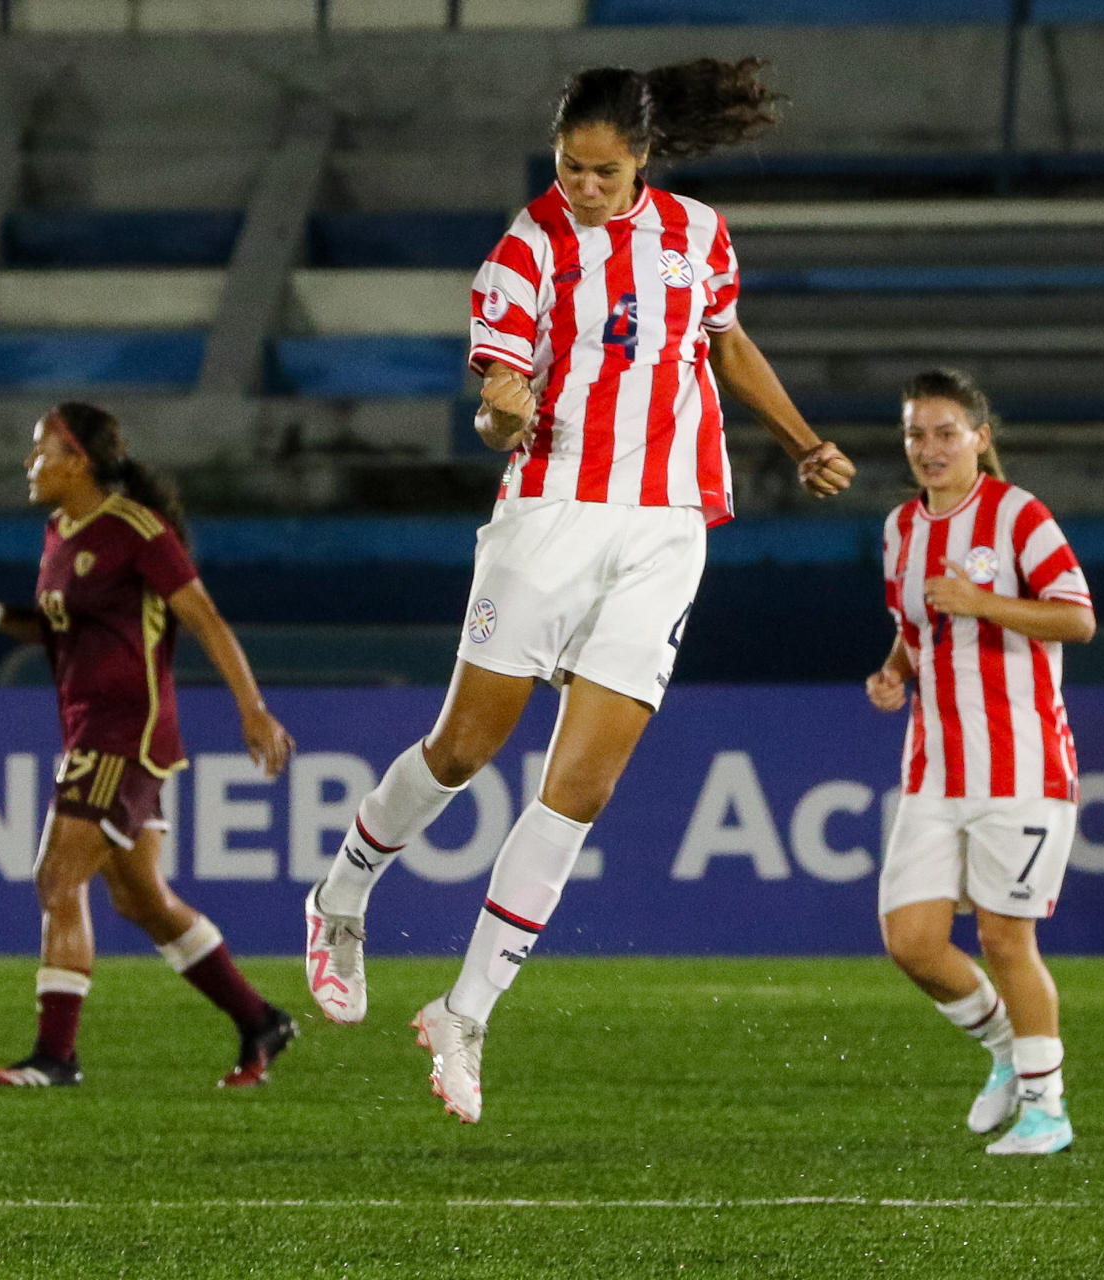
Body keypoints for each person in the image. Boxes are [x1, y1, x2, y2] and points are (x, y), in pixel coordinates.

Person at [301, 57, 856, 1124]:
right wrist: (503, 413)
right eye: (569, 168)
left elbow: (724, 340)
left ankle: (465, 1010)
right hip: (551, 517)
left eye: (602, 170)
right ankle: (341, 895)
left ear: (641, 158)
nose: (583, 187)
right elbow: (496, 412)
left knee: (584, 787)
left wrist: (800, 440)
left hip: (669, 526)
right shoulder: (524, 252)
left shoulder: (699, 234)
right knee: (464, 748)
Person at [0, 402, 298, 1088]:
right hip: (88, 730)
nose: (28, 465)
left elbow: (205, 619)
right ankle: (259, 1021)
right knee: (142, 900)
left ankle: (56, 1056)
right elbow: (60, 628)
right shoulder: (60, 530)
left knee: (57, 878)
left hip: (124, 733)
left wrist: (254, 711)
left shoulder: (135, 530)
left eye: (40, 451)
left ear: (79, 460)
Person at [865, 369, 1094, 1156]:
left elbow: (1077, 618)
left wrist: (986, 603)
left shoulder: (1017, 515)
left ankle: (1047, 1111)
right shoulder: (900, 529)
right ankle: (1006, 1048)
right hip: (933, 765)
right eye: (914, 435)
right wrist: (896, 668)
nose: (928, 449)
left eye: (944, 433)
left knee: (1006, 937)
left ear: (980, 437)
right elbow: (915, 623)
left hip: (1022, 765)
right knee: (911, 940)